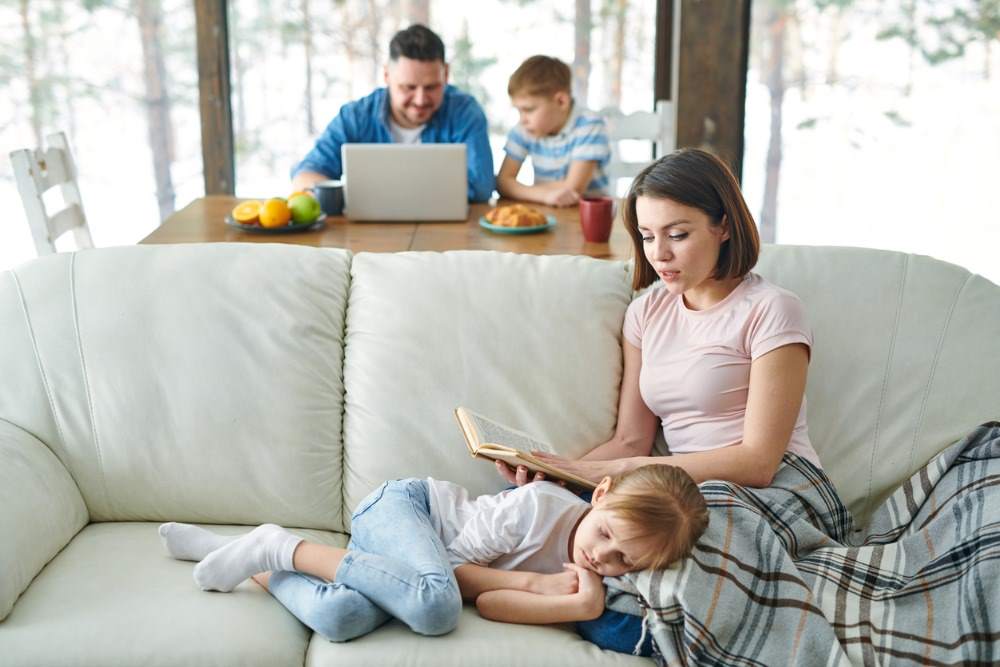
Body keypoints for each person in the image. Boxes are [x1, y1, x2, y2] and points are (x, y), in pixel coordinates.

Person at [496, 147, 822, 655]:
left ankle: (618, 610)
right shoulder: (647, 313)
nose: (659, 254)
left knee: (654, 545)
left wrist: (632, 469)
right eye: (647, 236)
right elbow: (631, 437)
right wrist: (558, 472)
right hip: (673, 486)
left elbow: (759, 461)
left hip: (771, 488)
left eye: (678, 234)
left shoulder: (772, 311)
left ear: (724, 226)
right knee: (541, 514)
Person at [158, 464, 707, 647]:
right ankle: (280, 543)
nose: (602, 559)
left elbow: (492, 607)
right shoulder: (539, 507)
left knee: (340, 617)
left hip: (403, 573)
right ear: (602, 493)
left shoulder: (602, 583)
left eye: (625, 563)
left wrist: (581, 608)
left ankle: (246, 555)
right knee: (437, 607)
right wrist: (542, 586)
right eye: (607, 533)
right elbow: (454, 575)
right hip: (405, 511)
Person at [290, 24, 495, 202]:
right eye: (408, 87)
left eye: (432, 87)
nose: (420, 100)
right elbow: (307, 174)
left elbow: (481, 188)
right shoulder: (355, 116)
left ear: (446, 74)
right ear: (387, 75)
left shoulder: (465, 113)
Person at [496, 55, 611, 207]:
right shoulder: (524, 128)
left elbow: (573, 189)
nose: (522, 119)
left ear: (561, 101)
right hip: (546, 210)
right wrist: (545, 196)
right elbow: (503, 182)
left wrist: (523, 190)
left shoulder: (589, 125)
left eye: (528, 109)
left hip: (585, 216)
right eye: (519, 110)